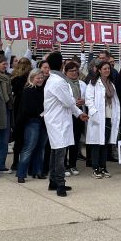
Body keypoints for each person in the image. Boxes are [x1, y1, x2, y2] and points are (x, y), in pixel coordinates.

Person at [43, 52, 87, 196]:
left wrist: (79, 113)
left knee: (56, 151)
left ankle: (53, 181)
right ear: (61, 64)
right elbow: (68, 101)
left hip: (59, 120)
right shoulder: (58, 81)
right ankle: (60, 184)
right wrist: (78, 110)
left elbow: (68, 101)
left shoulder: (55, 79)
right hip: (57, 121)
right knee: (60, 153)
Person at [86, 61, 120, 179]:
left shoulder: (111, 83)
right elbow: (89, 100)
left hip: (109, 116)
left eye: (108, 69)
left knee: (105, 143)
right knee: (97, 144)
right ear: (99, 70)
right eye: (104, 69)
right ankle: (95, 168)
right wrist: (94, 113)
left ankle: (103, 167)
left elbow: (115, 101)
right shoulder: (93, 83)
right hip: (98, 117)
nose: (107, 70)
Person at [15, 68, 47, 182]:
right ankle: (21, 173)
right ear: (32, 78)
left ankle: (37, 171)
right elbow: (28, 109)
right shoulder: (28, 90)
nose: (40, 80)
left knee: (40, 148)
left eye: (42, 78)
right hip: (32, 122)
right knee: (29, 147)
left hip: (44, 122)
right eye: (38, 78)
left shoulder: (44, 90)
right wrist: (41, 113)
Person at [64, 60, 86, 175]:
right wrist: (73, 102)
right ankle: (64, 165)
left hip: (79, 114)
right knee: (66, 140)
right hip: (68, 114)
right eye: (71, 71)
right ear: (66, 72)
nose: (74, 73)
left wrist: (84, 101)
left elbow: (88, 97)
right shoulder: (63, 84)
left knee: (75, 140)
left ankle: (73, 164)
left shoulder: (82, 83)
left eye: (75, 71)